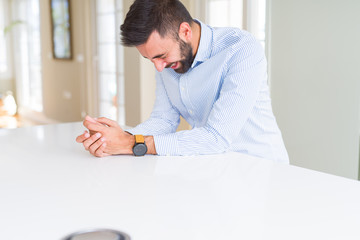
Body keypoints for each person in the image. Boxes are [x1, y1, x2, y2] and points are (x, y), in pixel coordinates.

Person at [76, 0, 289, 163]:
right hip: (214, 165)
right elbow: (164, 120)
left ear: (185, 31)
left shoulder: (241, 49)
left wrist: (133, 143)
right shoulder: (168, 61)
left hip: (262, 168)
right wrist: (115, 139)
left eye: (160, 56)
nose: (158, 67)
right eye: (150, 59)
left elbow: (216, 137)